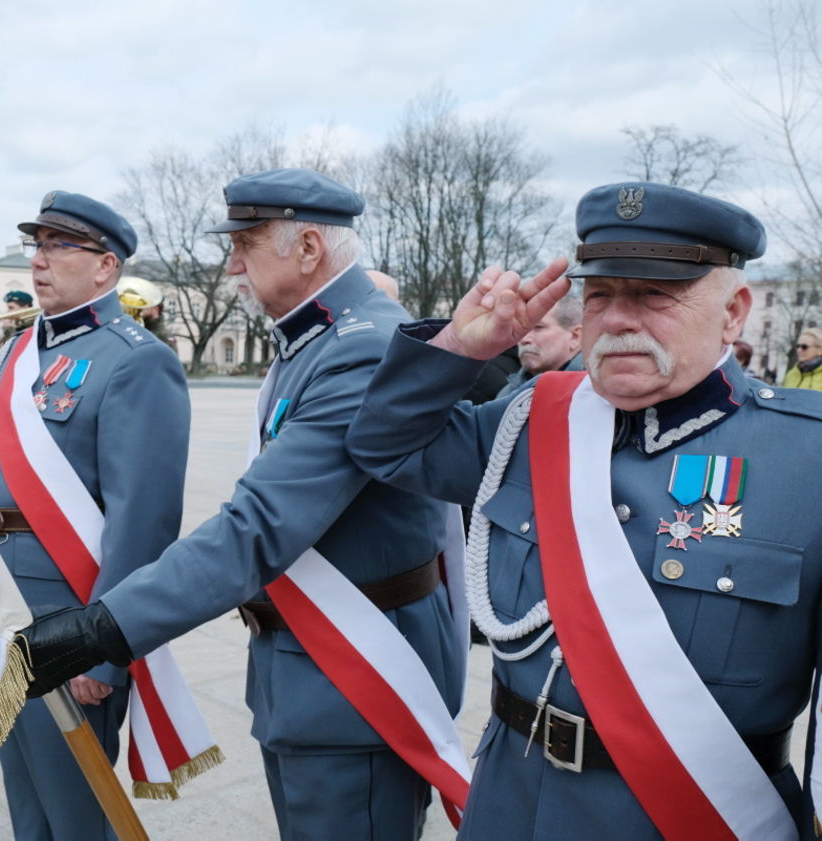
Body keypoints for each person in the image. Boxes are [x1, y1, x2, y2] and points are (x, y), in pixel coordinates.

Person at [346, 182, 822, 838]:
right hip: (510, 801)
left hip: (686, 817)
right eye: (600, 295)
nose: (619, 319)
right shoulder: (533, 416)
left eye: (654, 294)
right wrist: (462, 345)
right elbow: (382, 444)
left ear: (734, 311)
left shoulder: (808, 455)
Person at [17, 169, 464, 841]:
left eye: (245, 244)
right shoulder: (316, 338)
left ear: (308, 248)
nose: (231, 264)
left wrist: (99, 630)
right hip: (307, 670)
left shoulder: (361, 349)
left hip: (357, 675)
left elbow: (255, 528)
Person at [0, 191, 190, 841]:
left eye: (61, 245)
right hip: (1, 606)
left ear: (106, 267)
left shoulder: (136, 360)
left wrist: (105, 647)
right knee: (28, 806)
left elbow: (143, 523)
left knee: (78, 813)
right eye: (37, 243)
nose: (40, 259)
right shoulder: (20, 350)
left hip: (68, 616)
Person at [497, 292, 583, 396]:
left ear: (575, 337)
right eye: (519, 329)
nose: (524, 339)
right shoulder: (507, 395)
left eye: (538, 327)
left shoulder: (596, 393)